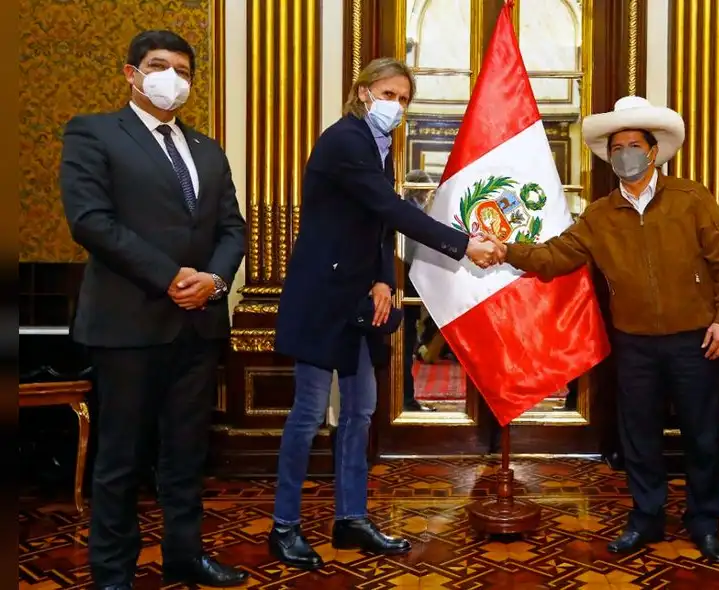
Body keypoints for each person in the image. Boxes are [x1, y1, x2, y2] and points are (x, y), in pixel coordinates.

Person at [487, 96, 719, 561]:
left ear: (653, 152)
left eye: (634, 144)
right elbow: (554, 255)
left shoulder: (692, 199)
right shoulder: (599, 215)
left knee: (702, 435)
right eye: (617, 147)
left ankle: (705, 523)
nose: (625, 153)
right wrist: (506, 249)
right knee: (638, 436)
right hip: (635, 344)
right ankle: (646, 518)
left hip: (696, 340)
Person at [268, 57, 498, 570]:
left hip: (359, 299)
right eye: (389, 93)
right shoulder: (347, 139)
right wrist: (463, 245)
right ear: (363, 91)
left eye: (405, 98)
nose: (397, 105)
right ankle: (283, 528)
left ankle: (351, 519)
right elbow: (389, 207)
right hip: (321, 297)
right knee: (307, 416)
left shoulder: (380, 145)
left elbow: (374, 224)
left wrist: (382, 278)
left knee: (360, 414)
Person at [60, 30, 247, 589]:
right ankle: (113, 572)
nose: (173, 78)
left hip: (199, 324)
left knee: (188, 453)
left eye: (184, 70)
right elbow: (91, 221)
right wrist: (169, 278)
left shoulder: (207, 150)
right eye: (159, 66)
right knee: (120, 459)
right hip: (128, 323)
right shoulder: (93, 132)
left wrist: (212, 279)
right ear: (131, 74)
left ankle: (184, 555)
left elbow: (231, 228)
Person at [401, 170, 435, 412]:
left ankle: (406, 399)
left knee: (408, 345)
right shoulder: (411, 213)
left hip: (408, 285)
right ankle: (405, 400)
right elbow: (415, 256)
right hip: (406, 288)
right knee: (404, 346)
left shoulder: (411, 210)